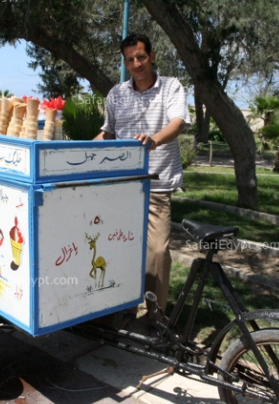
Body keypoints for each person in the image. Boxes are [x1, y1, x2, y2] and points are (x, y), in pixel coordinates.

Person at [94, 33, 191, 316]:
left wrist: (154, 139)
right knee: (116, 248)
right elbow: (108, 133)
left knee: (157, 253)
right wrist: (79, 152)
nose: (136, 64)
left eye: (141, 57)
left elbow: (178, 122)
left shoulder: (171, 87)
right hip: (122, 184)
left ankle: (156, 318)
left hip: (156, 184)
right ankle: (118, 309)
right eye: (130, 59)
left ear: (152, 56)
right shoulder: (117, 94)